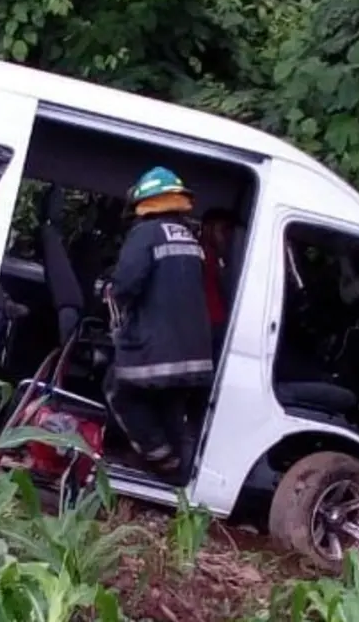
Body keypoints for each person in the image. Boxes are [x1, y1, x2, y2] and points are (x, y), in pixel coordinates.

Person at [103, 166, 214, 484]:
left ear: (145, 201)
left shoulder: (146, 233)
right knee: (169, 406)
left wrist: (110, 294)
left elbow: (125, 285)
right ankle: (177, 475)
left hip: (159, 350)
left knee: (118, 390)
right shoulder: (188, 235)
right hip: (196, 352)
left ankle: (160, 460)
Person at [200, 207, 238, 360]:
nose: (226, 236)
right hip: (209, 322)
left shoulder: (217, 257)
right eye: (222, 230)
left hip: (217, 321)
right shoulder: (201, 255)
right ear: (208, 229)